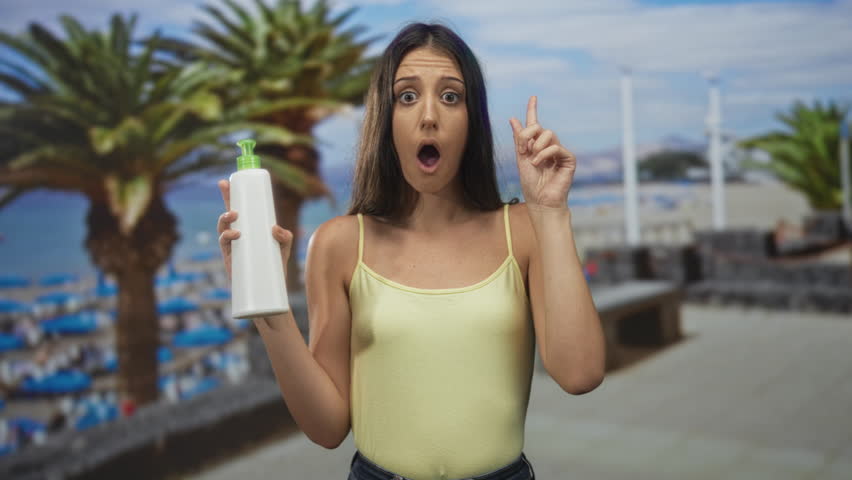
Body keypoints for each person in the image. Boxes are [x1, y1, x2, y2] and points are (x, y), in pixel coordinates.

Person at [217, 22, 605, 480]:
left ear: (471, 120)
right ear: (385, 119)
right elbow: (326, 427)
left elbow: (579, 374)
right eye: (406, 96)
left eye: (450, 96)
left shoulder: (523, 229)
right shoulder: (339, 244)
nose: (428, 116)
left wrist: (551, 212)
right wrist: (270, 310)